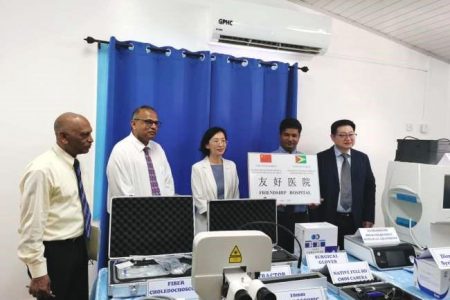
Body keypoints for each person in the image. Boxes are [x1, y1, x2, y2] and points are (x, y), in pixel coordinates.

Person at [18, 112, 93, 300]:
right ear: (63, 137)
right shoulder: (42, 170)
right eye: (84, 135)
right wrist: (38, 272)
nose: (90, 140)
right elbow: (31, 227)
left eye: (90, 133)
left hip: (77, 248)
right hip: (55, 254)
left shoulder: (75, 164)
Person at [313, 119, 376, 249]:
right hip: (328, 218)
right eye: (342, 135)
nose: (348, 138)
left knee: (353, 255)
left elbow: (370, 189)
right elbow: (313, 186)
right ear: (332, 137)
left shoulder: (362, 158)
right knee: (327, 255)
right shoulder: (320, 158)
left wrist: (369, 217)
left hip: (355, 219)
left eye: (351, 134)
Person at [106, 105, 174, 211]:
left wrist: (166, 209)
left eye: (156, 123)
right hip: (133, 218)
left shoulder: (158, 148)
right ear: (133, 124)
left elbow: (168, 184)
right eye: (148, 122)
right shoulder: (121, 150)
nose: (154, 127)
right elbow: (122, 194)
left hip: (161, 216)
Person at [191, 127, 239, 233]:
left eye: (223, 141)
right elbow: (198, 199)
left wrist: (231, 215)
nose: (220, 144)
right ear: (207, 145)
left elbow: (235, 195)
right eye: (216, 141)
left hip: (229, 221)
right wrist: (217, 216)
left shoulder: (231, 166)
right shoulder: (198, 168)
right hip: (206, 221)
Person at [272, 118, 309, 253]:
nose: (290, 139)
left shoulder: (306, 161)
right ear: (280, 135)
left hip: (301, 217)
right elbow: (262, 194)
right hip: (277, 217)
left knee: (300, 255)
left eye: (294, 136)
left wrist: (314, 198)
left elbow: (310, 187)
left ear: (299, 137)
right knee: (278, 255)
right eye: (286, 135)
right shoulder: (268, 159)